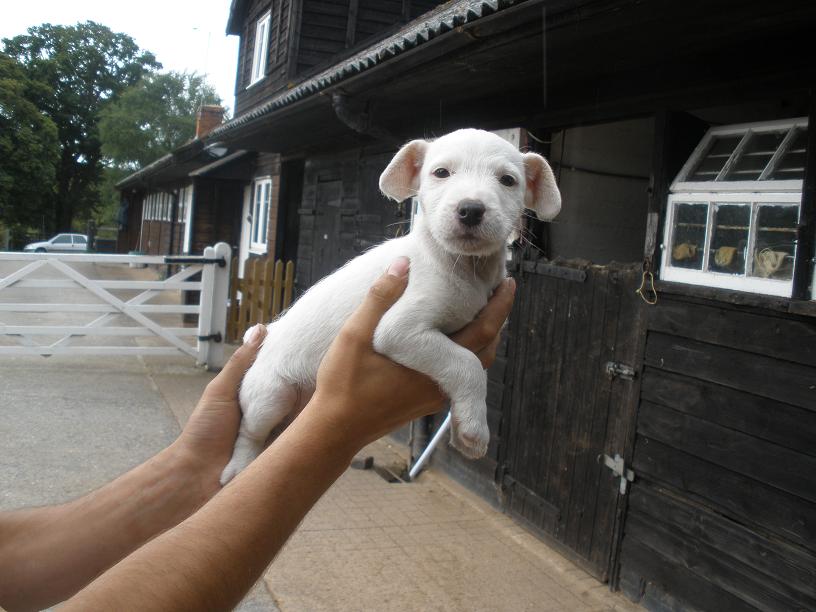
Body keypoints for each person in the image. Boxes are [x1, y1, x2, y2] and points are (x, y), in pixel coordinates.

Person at [0, 257, 515, 611]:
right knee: (264, 408)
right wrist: (333, 432)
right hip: (287, 378)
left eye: (506, 181)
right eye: (442, 175)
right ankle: (246, 443)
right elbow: (397, 334)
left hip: (279, 393)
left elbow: (14, 559)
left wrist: (192, 467)